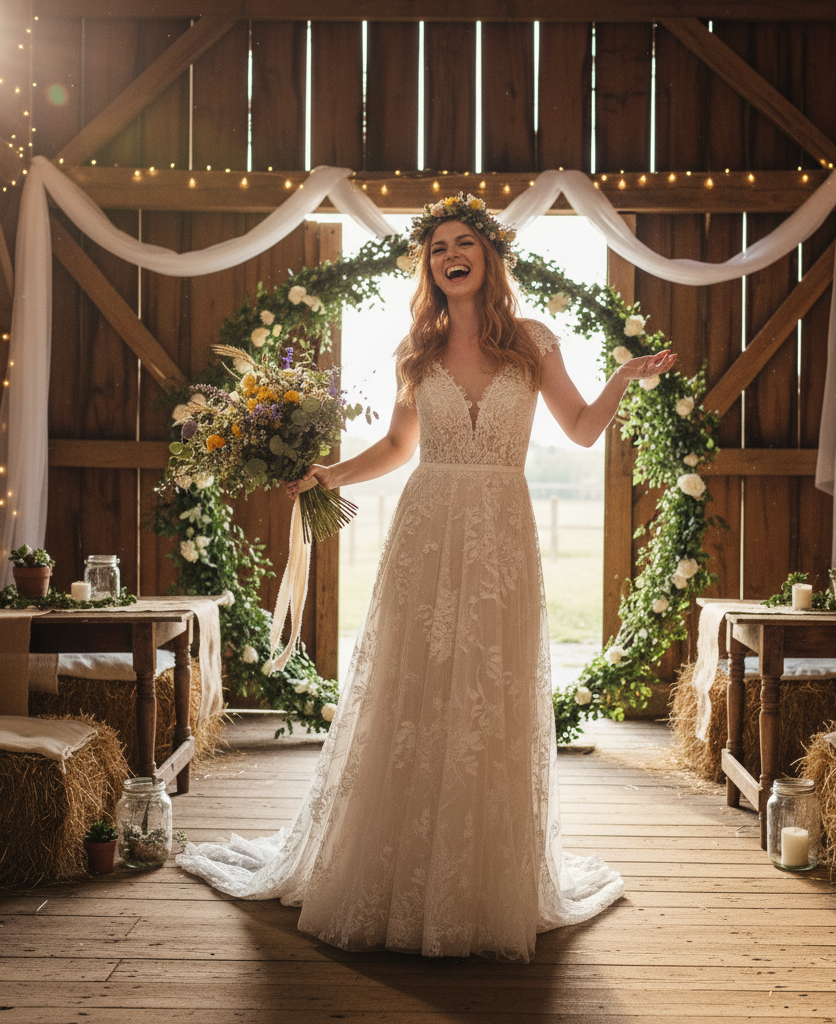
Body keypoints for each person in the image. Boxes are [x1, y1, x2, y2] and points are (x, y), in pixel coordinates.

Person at [177, 195, 676, 962]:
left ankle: (480, 881)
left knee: (489, 687)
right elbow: (398, 446)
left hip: (502, 531)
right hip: (428, 527)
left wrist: (619, 377)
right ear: (431, 267)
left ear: (487, 257)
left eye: (464, 241)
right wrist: (329, 475)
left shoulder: (534, 342)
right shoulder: (420, 347)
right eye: (439, 245)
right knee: (417, 682)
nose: (451, 253)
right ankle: (395, 865)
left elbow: (580, 431)